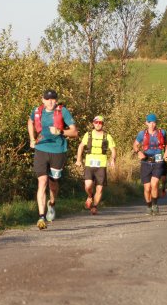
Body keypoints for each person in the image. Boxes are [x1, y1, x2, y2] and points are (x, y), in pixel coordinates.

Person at [28, 89, 78, 230]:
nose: (50, 102)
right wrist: (32, 139)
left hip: (58, 150)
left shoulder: (63, 112)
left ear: (56, 100)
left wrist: (61, 131)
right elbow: (30, 122)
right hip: (41, 149)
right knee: (42, 181)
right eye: (47, 99)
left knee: (53, 183)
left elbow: (75, 132)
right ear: (43, 100)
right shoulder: (37, 111)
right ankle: (41, 217)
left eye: (53, 99)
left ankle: (52, 203)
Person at [75, 115, 116, 215]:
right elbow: (81, 146)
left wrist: (112, 159)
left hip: (101, 164)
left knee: (100, 188)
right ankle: (90, 196)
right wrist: (79, 160)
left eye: (100, 123)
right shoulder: (88, 135)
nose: (98, 124)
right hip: (89, 163)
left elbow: (113, 150)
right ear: (93, 123)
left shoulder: (107, 136)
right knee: (88, 186)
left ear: (103, 124)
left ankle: (94, 206)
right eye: (96, 122)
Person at [132, 113, 167, 215]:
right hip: (145, 162)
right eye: (150, 122)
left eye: (154, 122)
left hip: (158, 161)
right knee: (147, 188)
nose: (152, 124)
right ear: (146, 123)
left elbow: (166, 143)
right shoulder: (142, 134)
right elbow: (135, 145)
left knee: (154, 184)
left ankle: (154, 204)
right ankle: (149, 206)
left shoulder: (162, 132)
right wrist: (138, 152)